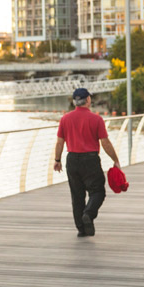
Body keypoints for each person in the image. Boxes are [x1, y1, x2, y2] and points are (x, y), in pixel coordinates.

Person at [54, 88, 121, 237]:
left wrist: (57, 160)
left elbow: (60, 142)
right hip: (90, 159)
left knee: (77, 196)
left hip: (72, 159)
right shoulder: (96, 119)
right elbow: (105, 142)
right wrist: (115, 160)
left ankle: (81, 229)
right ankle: (88, 214)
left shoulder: (65, 119)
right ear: (88, 100)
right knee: (98, 191)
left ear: (74, 102)